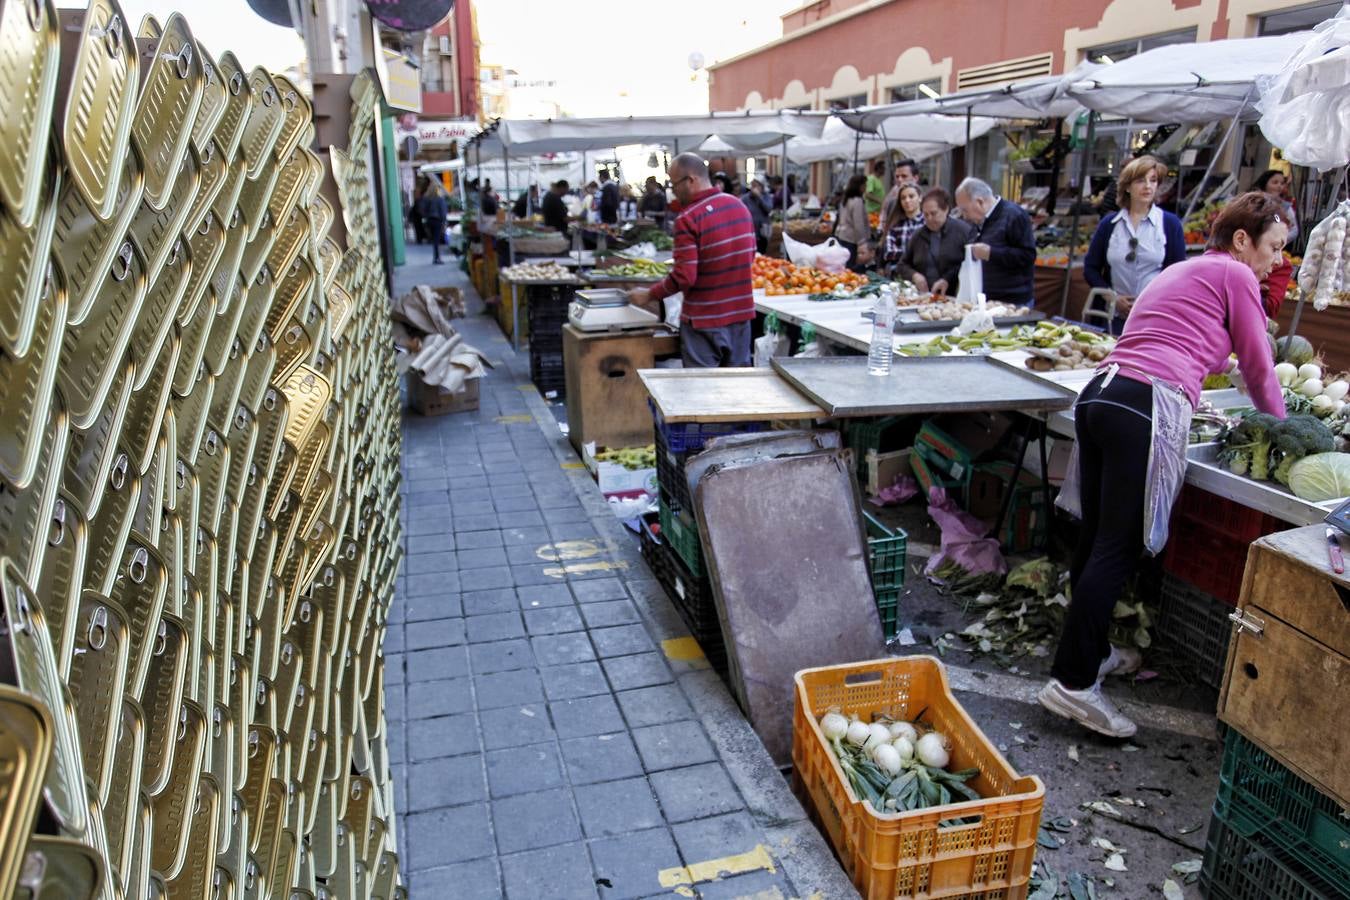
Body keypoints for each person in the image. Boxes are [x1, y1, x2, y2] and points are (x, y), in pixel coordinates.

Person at [1040, 192, 1289, 739]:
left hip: (1102, 393)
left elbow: (1196, 344)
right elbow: (1256, 364)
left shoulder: (1186, 269)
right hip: (1145, 404)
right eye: (1273, 248)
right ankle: (1073, 683)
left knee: (1097, 540)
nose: (1275, 262)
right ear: (1243, 239)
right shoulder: (1236, 275)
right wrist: (1284, 423)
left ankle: (1093, 652)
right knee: (1117, 546)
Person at [627, 153, 757, 367]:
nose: (673, 191)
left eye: (674, 184)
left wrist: (650, 294)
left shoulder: (688, 219)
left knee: (700, 393)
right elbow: (750, 257)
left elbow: (684, 276)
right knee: (737, 391)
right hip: (740, 318)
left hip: (703, 322)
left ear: (691, 180)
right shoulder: (739, 207)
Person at [1083, 156, 1186, 334]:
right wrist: (1113, 298)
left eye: (1153, 180)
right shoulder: (1110, 224)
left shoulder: (1170, 224)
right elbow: (1090, 268)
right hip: (1111, 317)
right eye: (1140, 180)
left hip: (1153, 318)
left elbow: (1177, 275)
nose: (1148, 186)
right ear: (1127, 187)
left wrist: (1150, 299)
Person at [955, 177, 1036, 303]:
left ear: (980, 202)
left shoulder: (1014, 215)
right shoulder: (977, 221)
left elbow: (1028, 256)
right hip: (984, 298)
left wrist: (991, 253)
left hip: (1012, 301)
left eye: (965, 210)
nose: (964, 216)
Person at [896, 188, 976, 296]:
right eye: (925, 215)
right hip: (924, 296)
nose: (929, 219)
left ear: (946, 209)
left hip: (956, 295)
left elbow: (969, 263)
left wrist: (947, 279)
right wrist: (914, 275)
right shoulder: (918, 235)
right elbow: (902, 264)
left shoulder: (963, 231)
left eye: (933, 214)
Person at [881, 183, 924, 272]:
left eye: (911, 196)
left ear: (920, 198)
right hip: (898, 272)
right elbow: (889, 252)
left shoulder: (927, 223)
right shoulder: (895, 225)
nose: (907, 201)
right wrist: (913, 255)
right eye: (903, 198)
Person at [834, 174, 871, 272]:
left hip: (842, 236)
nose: (866, 188)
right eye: (865, 185)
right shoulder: (857, 201)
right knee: (853, 269)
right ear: (860, 186)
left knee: (845, 266)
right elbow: (858, 223)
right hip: (852, 239)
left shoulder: (845, 200)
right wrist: (862, 242)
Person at [1254, 169, 1299, 243]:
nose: (1279, 186)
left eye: (1282, 183)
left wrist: (1278, 240)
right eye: (1275, 182)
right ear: (1265, 183)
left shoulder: (1286, 206)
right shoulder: (1253, 201)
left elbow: (1294, 230)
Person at [879, 158, 920, 232]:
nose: (899, 179)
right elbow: (884, 216)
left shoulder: (925, 201)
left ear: (915, 178)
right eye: (897, 176)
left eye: (904, 176)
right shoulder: (892, 195)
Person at [419, 181, 449, 264]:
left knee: (434, 239)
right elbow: (443, 211)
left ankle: (436, 257)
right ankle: (437, 258)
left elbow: (422, 210)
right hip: (438, 220)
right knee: (437, 240)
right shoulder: (439, 199)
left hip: (429, 220)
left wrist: (426, 216)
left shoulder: (426, 198)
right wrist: (444, 221)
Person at [742, 178, 772, 254]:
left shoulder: (766, 196)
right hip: (750, 231)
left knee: (762, 253)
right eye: (753, 185)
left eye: (757, 186)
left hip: (762, 232)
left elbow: (768, 209)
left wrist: (759, 197)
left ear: (762, 187)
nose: (754, 188)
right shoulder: (746, 198)